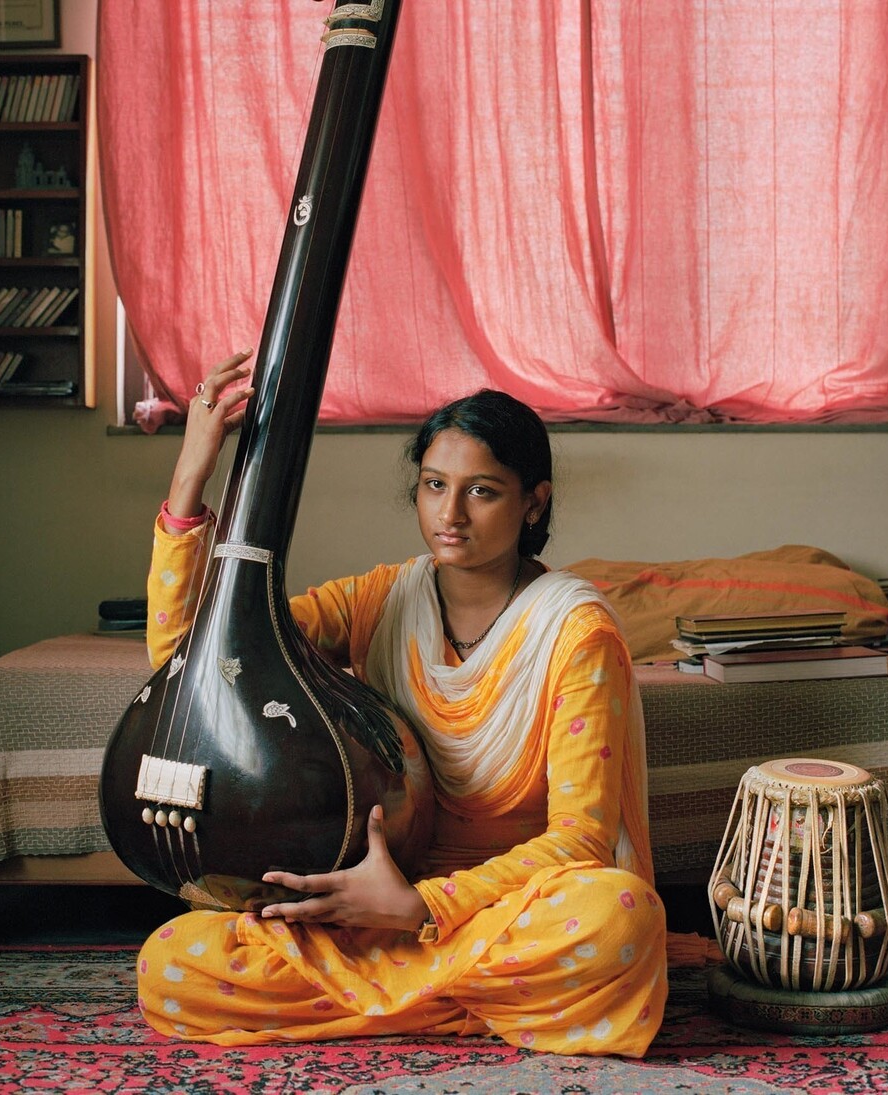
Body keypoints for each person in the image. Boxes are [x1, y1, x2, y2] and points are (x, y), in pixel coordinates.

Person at [136, 350, 671, 1057]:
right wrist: (189, 477)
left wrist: (421, 907)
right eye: (432, 485)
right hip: (374, 902)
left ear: (532, 501)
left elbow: (580, 841)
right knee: (171, 960)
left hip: (502, 907)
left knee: (616, 918)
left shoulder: (576, 632)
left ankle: (384, 995)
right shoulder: (379, 599)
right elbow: (194, 663)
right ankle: (475, 1004)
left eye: (481, 491)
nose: (449, 514)